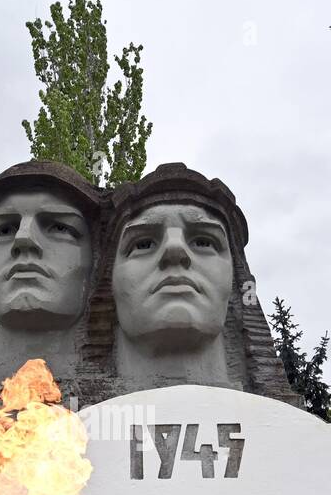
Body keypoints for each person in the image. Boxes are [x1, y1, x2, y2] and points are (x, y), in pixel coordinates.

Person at [0, 160, 106, 382]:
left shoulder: (138, 407)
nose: (24, 238)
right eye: (4, 229)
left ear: (97, 258)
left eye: (59, 227)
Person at [107, 163, 249, 390]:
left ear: (236, 279)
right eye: (143, 243)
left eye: (204, 242)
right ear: (108, 281)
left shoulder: (290, 424)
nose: (175, 250)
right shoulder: (54, 420)